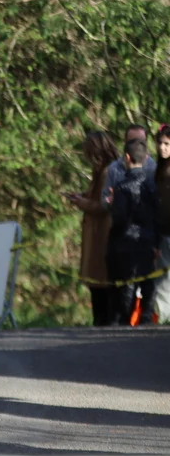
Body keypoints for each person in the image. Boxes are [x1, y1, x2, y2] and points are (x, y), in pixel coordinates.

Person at [67, 131, 118, 326]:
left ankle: (103, 323)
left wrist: (81, 203)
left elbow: (103, 206)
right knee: (97, 286)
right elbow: (97, 196)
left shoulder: (107, 172)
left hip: (102, 236)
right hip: (96, 235)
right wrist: (83, 196)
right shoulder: (101, 172)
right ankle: (100, 321)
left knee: (101, 286)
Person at [106, 137, 158, 325]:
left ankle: (126, 320)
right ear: (146, 158)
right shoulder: (152, 186)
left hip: (126, 243)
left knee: (128, 285)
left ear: (127, 158)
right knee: (148, 282)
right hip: (148, 241)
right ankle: (146, 317)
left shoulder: (122, 188)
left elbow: (120, 219)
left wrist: (112, 205)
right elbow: (158, 216)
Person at [101, 124, 155, 206]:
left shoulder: (153, 168)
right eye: (132, 141)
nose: (137, 146)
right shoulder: (114, 168)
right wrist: (110, 201)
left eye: (141, 142)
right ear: (125, 141)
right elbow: (104, 199)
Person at [153, 125, 170, 323]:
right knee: (163, 283)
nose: (162, 147)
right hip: (162, 232)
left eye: (167, 143)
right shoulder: (160, 168)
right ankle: (163, 319)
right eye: (159, 143)